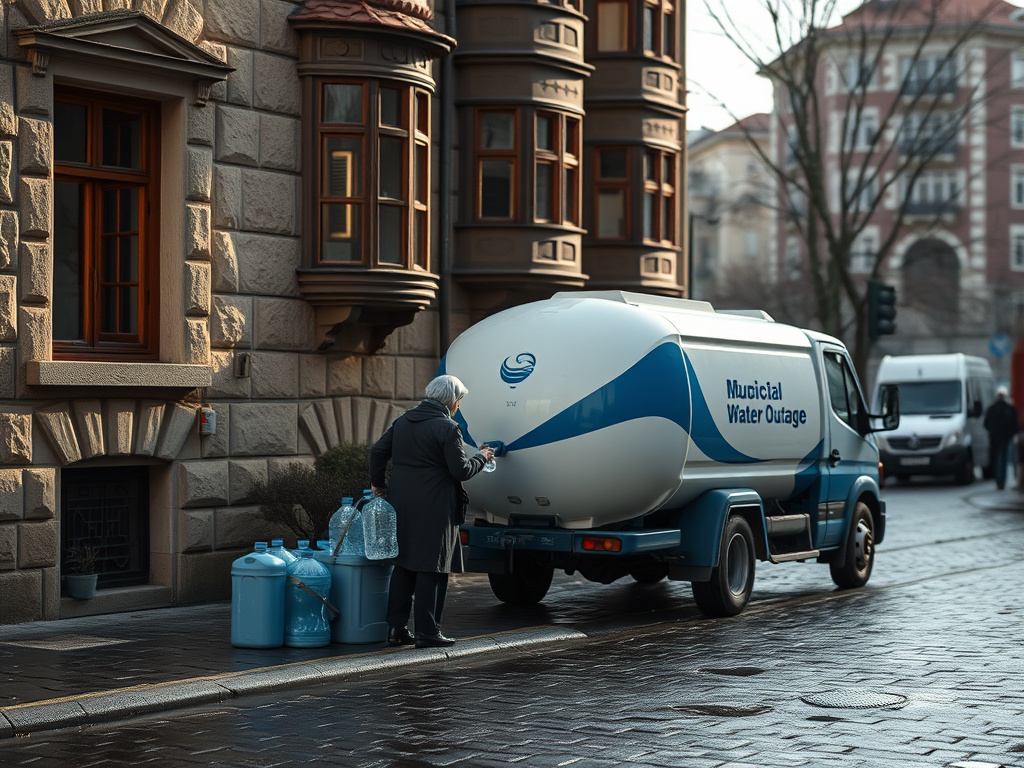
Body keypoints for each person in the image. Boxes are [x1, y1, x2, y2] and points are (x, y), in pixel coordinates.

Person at [369, 374, 495, 648]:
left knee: (403, 565)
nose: (459, 406)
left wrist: (378, 484)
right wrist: (482, 458)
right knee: (433, 566)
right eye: (459, 400)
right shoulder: (448, 428)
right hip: (435, 504)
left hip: (401, 502)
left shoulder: (402, 421)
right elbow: (460, 471)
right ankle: (428, 631)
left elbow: (378, 452)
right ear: (451, 400)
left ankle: (396, 629)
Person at [984, 386, 1019, 490]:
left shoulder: (992, 409)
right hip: (1005, 439)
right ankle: (1001, 481)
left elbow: (986, 424)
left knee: (998, 460)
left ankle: (999, 481)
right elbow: (1015, 424)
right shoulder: (1008, 409)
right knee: (1003, 460)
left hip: (996, 439)